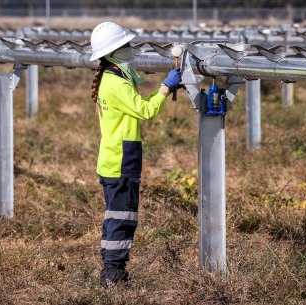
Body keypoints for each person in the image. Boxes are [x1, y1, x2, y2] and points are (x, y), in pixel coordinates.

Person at [89, 21, 182, 288]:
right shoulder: (115, 83)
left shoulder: (112, 77)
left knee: (116, 216)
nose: (131, 49)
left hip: (113, 159)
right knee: (122, 217)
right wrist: (166, 87)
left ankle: (112, 269)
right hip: (121, 161)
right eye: (125, 45)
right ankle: (113, 275)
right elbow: (146, 110)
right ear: (113, 52)